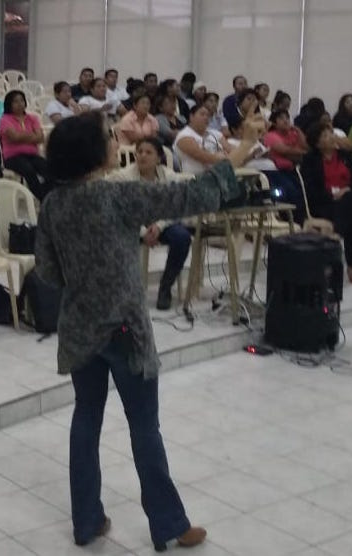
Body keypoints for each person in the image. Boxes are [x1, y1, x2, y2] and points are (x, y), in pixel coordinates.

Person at [35, 110, 263, 551]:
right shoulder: (115, 197)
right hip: (124, 328)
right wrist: (241, 149)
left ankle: (87, 522)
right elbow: (197, 195)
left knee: (86, 419)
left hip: (80, 326)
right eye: (107, 136)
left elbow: (47, 271)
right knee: (144, 426)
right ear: (91, 152)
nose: (113, 141)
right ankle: (169, 525)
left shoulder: (52, 204)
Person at [119, 138, 192, 310]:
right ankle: (125, 291)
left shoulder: (169, 176)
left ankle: (165, 287)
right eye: (139, 151)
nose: (142, 155)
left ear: (158, 158)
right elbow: (123, 211)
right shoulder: (124, 177)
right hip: (132, 225)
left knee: (181, 237)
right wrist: (143, 232)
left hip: (160, 223)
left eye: (148, 152)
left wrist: (159, 226)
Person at [300, 122, 352, 285]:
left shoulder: (346, 155)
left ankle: (336, 234)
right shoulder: (310, 160)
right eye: (325, 135)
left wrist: (346, 190)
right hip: (324, 203)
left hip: (346, 201)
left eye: (331, 133)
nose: (331, 137)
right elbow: (310, 190)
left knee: (350, 199)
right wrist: (332, 195)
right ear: (317, 143)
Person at [0, 91, 48, 200]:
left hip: (32, 155)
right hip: (13, 157)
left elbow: (41, 138)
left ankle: (48, 195)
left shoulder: (32, 118)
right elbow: (14, 137)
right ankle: (43, 199)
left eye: (21, 100)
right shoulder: (5, 119)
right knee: (28, 170)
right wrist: (32, 136)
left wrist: (22, 136)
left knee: (49, 169)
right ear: (9, 104)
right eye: (16, 101)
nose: (20, 103)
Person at [262, 110, 309, 219]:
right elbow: (284, 150)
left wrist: (298, 130)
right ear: (274, 123)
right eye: (281, 118)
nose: (285, 120)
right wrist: (303, 153)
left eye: (287, 118)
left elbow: (306, 147)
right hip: (279, 172)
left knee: (304, 192)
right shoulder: (271, 136)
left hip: (294, 170)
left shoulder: (293, 133)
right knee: (291, 192)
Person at [174, 105, 230, 175]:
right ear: (191, 117)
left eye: (208, 115)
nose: (206, 117)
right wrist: (221, 158)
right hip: (195, 179)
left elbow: (231, 150)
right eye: (202, 114)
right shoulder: (184, 135)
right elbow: (203, 156)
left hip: (219, 175)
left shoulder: (215, 134)